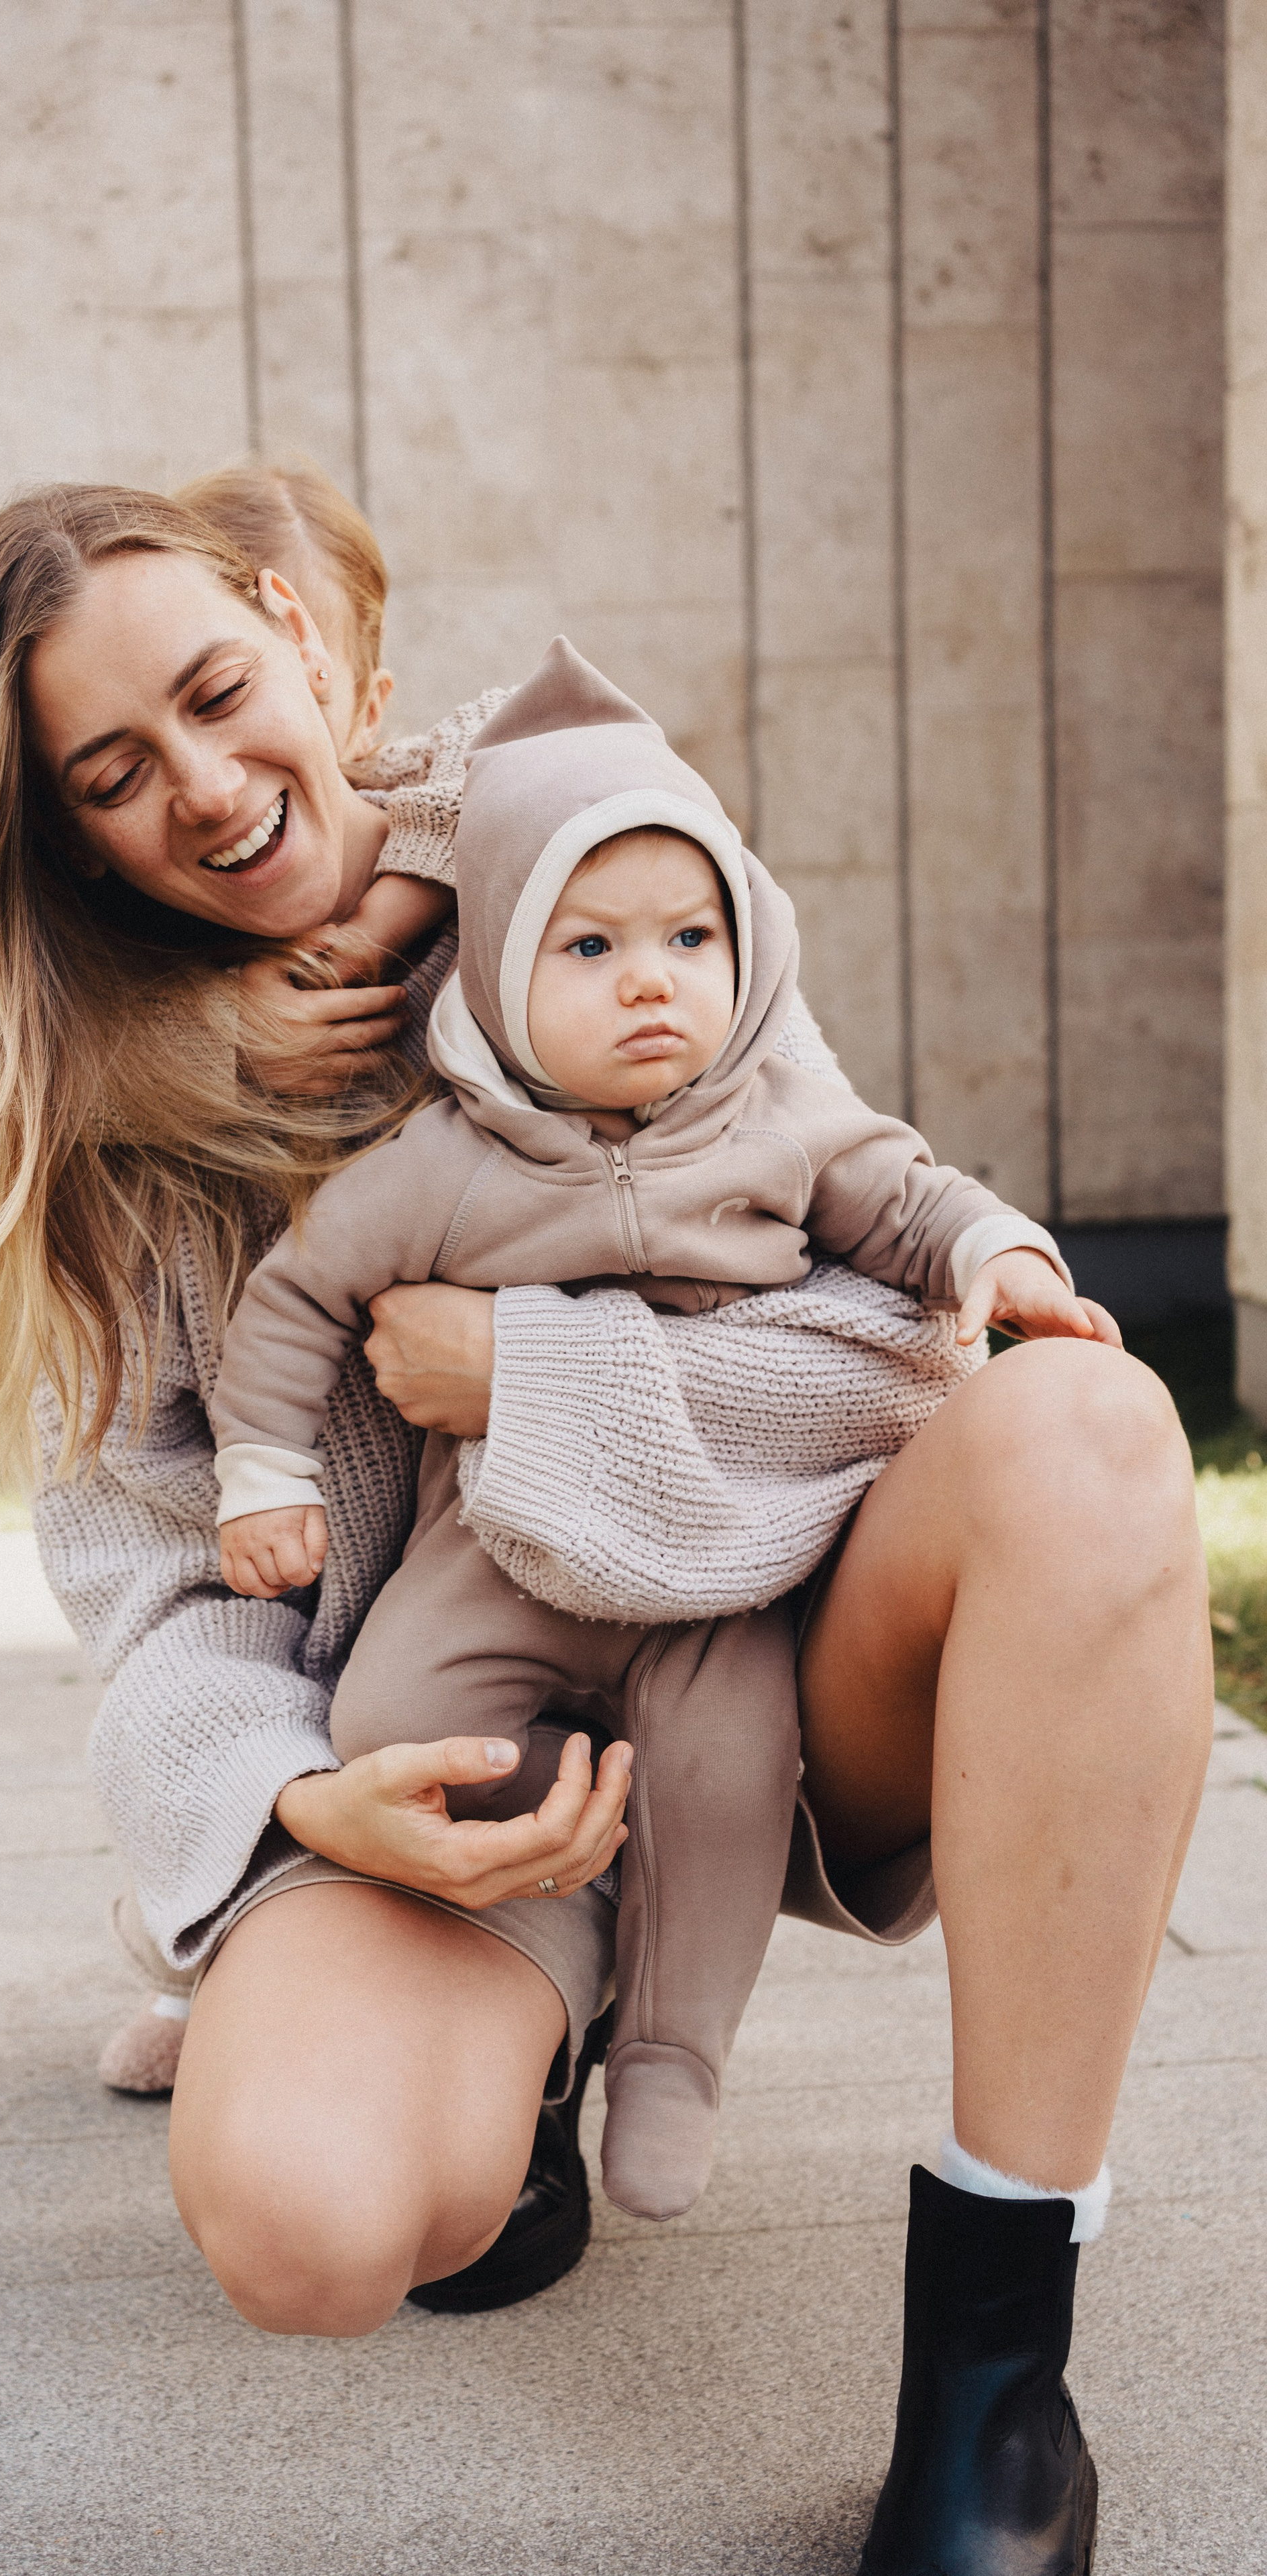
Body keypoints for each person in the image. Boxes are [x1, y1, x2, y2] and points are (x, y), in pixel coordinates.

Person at [0, 474, 1213, 2576]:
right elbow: (150, 1581)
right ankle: (521, 2035)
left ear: (293, 630)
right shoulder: (109, 1139)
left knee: (1090, 1433)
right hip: (452, 1738)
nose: (210, 788)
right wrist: (297, 1819)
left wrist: (528, 1381)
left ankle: (1000, 2370)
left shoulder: (603, 852)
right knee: (309, 2224)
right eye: (116, 776)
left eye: (219, 693)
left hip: (772, 1666)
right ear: (70, 842)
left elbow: (883, 1337)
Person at [210, 633, 1104, 2229]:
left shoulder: (776, 1120)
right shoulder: (444, 1161)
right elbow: (294, 1299)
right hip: (491, 1562)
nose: (650, 979)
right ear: (490, 975)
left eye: (691, 936)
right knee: (387, 1723)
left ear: (746, 945)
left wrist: (1001, 1257)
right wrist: (262, 1474)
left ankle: (676, 2053)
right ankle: (560, 1853)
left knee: (725, 1774)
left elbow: (908, 1206)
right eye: (590, 945)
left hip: (712, 1587)